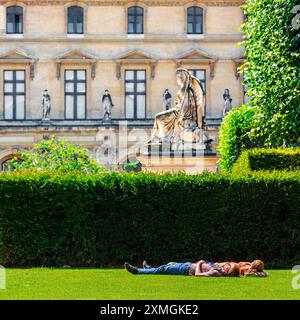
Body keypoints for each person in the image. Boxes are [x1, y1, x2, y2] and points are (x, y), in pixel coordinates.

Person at [124, 260, 241, 277]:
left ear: (229, 272)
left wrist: (200, 263)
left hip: (186, 270)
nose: (226, 266)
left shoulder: (216, 272)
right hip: (187, 265)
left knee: (163, 269)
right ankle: (148, 268)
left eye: (229, 268)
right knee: (168, 265)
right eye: (228, 265)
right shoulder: (218, 268)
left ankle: (137, 271)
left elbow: (198, 275)